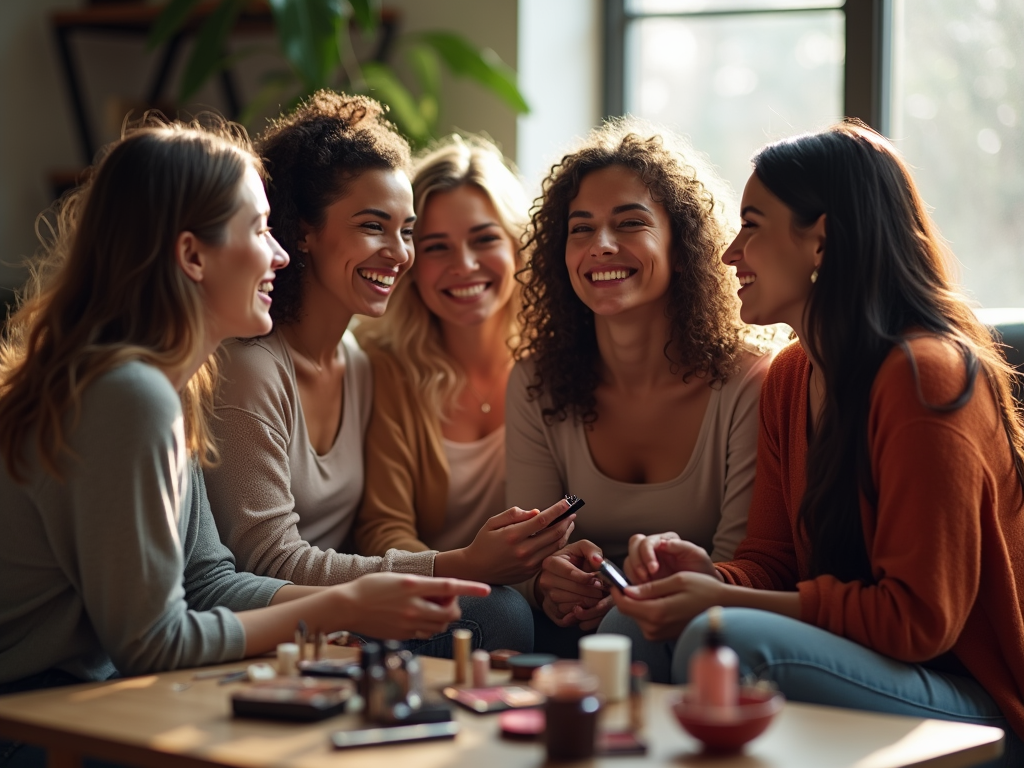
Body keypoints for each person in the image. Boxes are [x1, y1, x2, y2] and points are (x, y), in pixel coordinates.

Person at [0, 116, 487, 707]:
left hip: (85, 698)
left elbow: (207, 583)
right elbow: (151, 643)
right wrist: (339, 607)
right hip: (34, 713)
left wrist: (361, 599)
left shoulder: (171, 386)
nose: (280, 255)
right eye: (260, 231)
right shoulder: (129, 395)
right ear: (192, 256)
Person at [602, 121, 1024, 763]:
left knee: (725, 639)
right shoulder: (790, 376)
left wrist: (725, 601)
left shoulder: (926, 376)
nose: (728, 254)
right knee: (632, 619)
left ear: (820, 241)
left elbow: (919, 621)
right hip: (867, 661)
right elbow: (773, 562)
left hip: (974, 699)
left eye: (753, 225)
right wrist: (706, 574)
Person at [203, 93, 534, 654]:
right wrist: (455, 563)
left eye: (405, 231)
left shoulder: (357, 361)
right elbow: (269, 560)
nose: (398, 253)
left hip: (343, 612)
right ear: (302, 231)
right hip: (275, 619)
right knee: (497, 613)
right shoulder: (251, 367)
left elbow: (365, 531)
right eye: (372, 226)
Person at [507, 118, 772, 651]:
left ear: (683, 245)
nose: (600, 245)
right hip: (569, 630)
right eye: (581, 228)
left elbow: (741, 564)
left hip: (696, 629)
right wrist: (545, 585)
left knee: (634, 629)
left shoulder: (749, 380)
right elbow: (527, 558)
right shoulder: (535, 382)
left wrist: (639, 598)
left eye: (630, 223)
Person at [352, 135, 575, 584]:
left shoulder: (563, 359)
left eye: (484, 238)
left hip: (547, 591)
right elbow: (383, 530)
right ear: (411, 264)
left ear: (518, 247)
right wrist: (464, 576)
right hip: (442, 595)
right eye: (436, 246)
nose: (465, 264)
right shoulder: (383, 365)